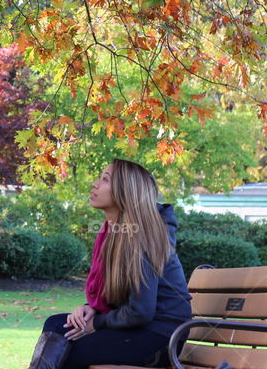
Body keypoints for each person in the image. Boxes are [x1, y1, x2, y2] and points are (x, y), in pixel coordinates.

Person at [27, 158, 193, 369]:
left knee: (70, 351)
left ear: (125, 191)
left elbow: (141, 311)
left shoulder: (144, 237)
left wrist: (96, 323)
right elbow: (120, 297)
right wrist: (90, 310)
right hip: (139, 328)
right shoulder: (114, 234)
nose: (95, 184)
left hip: (161, 336)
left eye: (105, 179)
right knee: (56, 324)